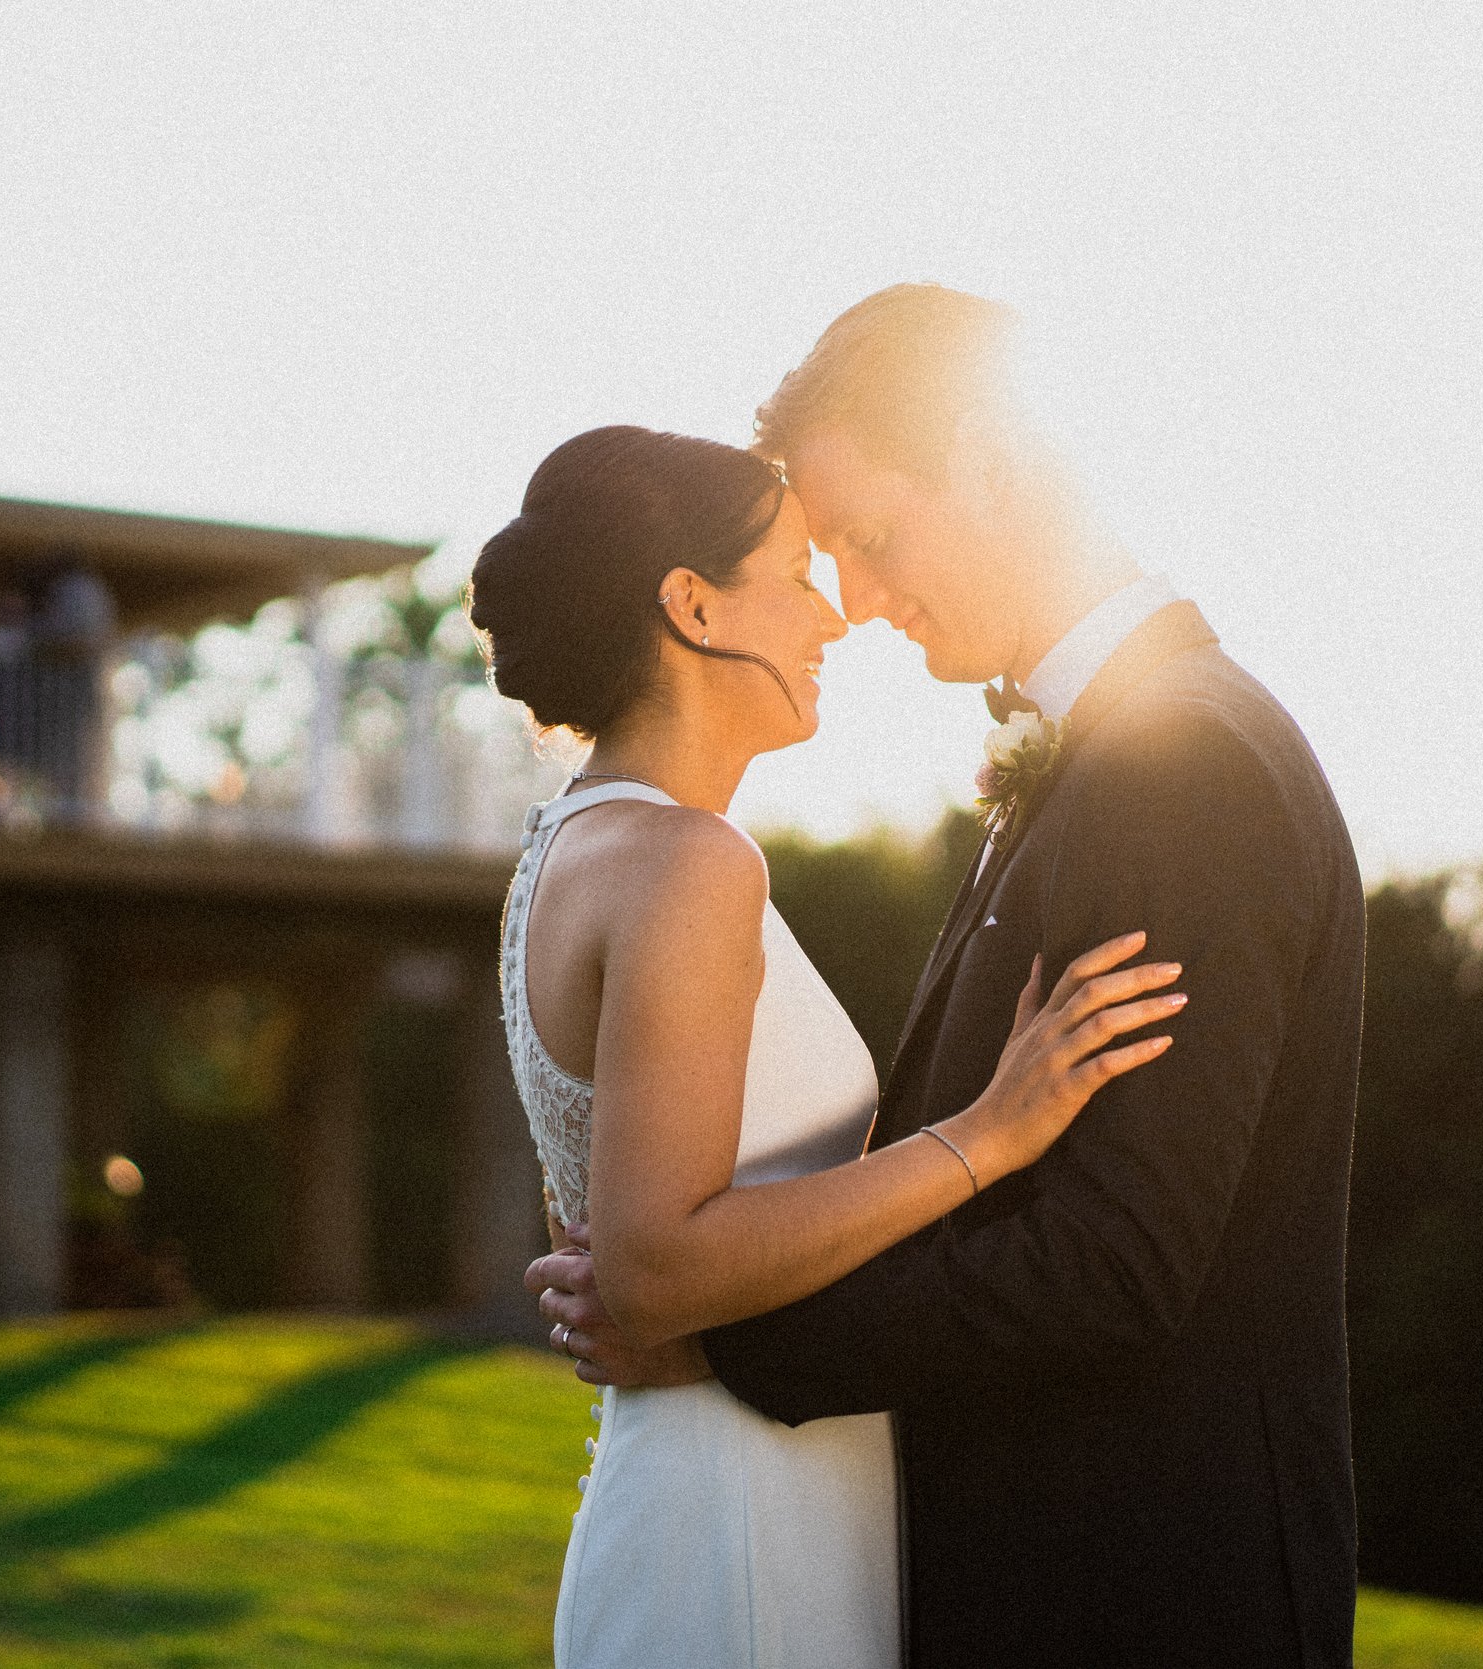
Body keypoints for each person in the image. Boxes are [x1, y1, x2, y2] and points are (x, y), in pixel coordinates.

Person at [527, 286, 1366, 1667]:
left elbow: (1112, 1260)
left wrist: (729, 1343)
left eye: (865, 535)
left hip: (1143, 1596)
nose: (853, 598)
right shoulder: (1103, 754)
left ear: (989, 454)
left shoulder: (1184, 766)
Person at [469, 423, 1187, 1669]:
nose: (834, 618)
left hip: (715, 1486)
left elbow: (597, 1218)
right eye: (798, 575)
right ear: (692, 606)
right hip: (747, 1518)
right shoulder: (689, 865)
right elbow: (649, 1267)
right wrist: (987, 1136)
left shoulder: (567, 850)